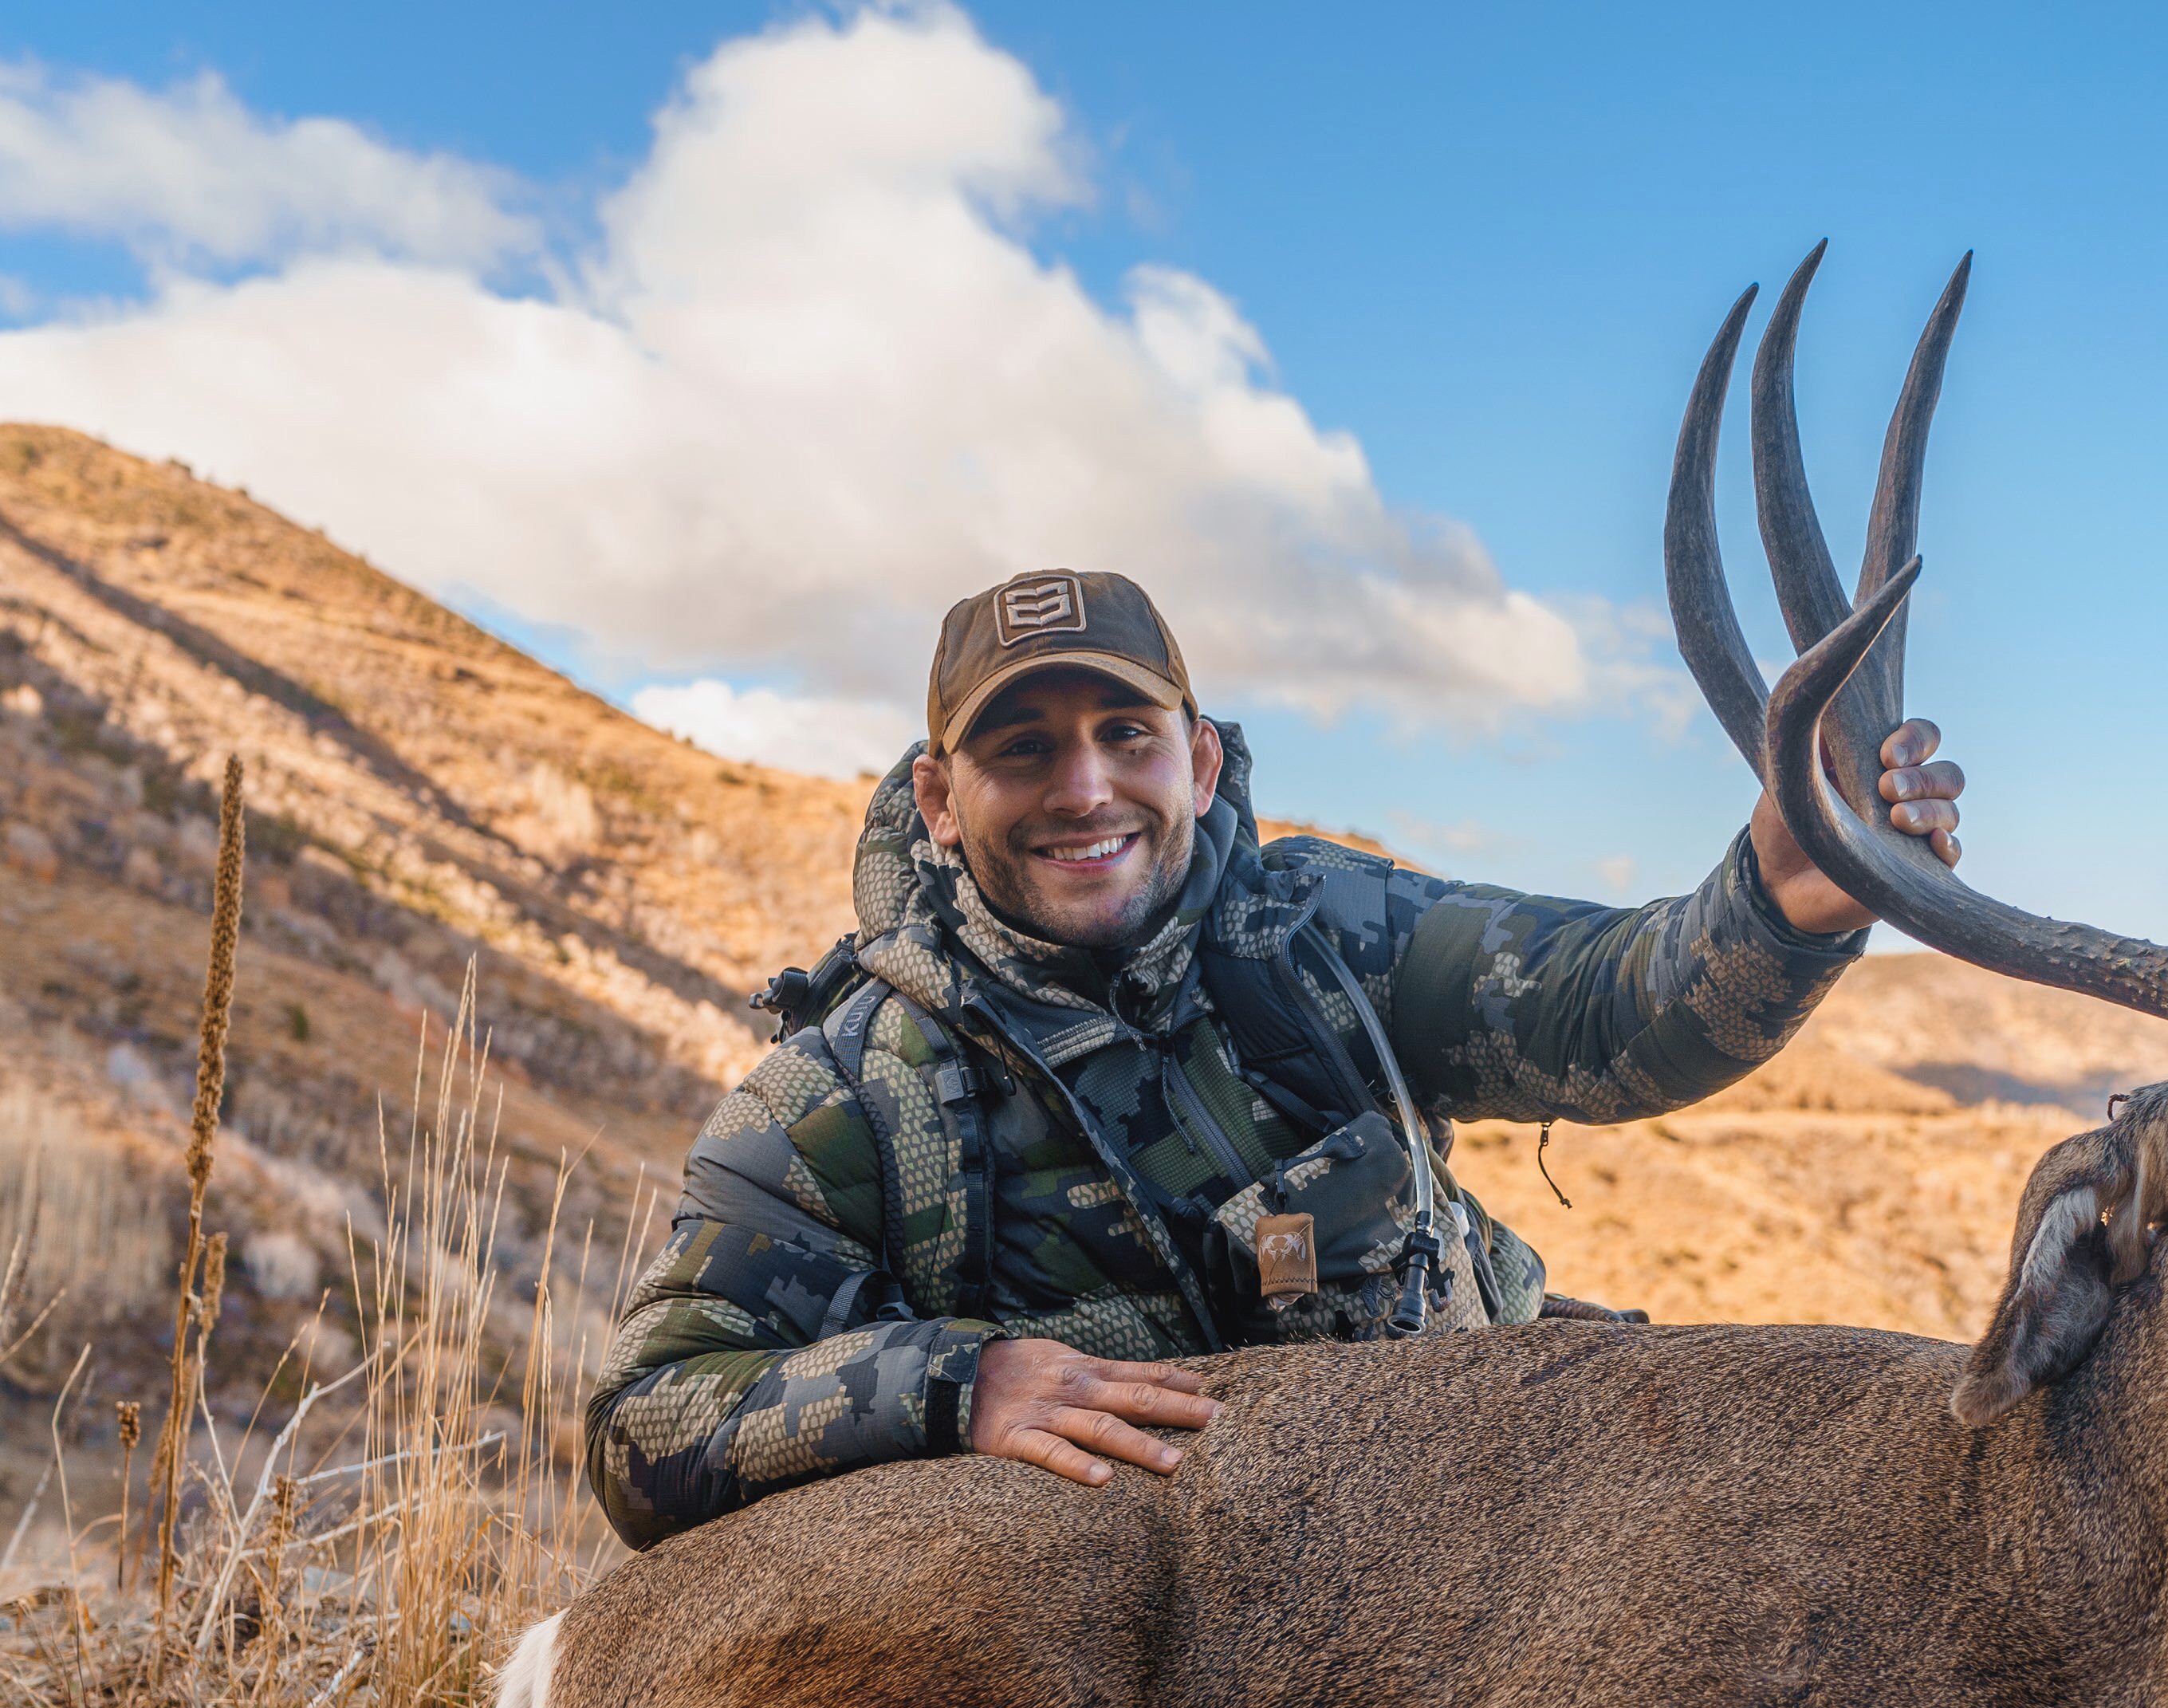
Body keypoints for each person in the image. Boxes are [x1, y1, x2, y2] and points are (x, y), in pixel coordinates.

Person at [584, 569, 1964, 1545]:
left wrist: (1786, 895)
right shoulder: (840, 1101)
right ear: (940, 800)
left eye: (1125, 734)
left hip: (1490, 1510)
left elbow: (1611, 1014)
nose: (1085, 788)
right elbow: (645, 1430)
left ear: (1197, 753)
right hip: (1187, 1655)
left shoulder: (1326, 936)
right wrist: (957, 1386)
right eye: (1022, 749)